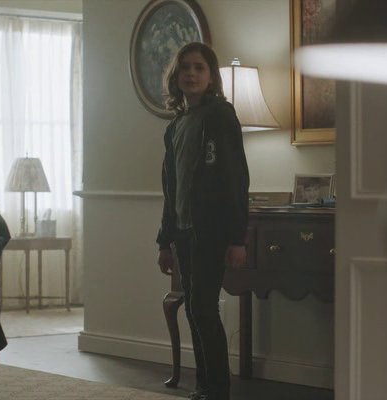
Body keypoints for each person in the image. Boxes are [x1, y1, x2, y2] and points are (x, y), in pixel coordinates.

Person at [156, 42, 249, 400]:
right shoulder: (176, 127)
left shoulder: (221, 116)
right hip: (183, 233)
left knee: (203, 308)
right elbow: (171, 189)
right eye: (185, 68)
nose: (191, 74)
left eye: (199, 67)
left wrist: (237, 238)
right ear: (176, 76)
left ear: (211, 77)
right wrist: (164, 240)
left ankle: (218, 390)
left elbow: (236, 178)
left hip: (212, 231)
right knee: (195, 310)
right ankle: (204, 387)